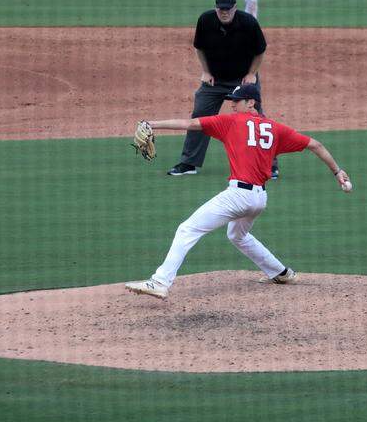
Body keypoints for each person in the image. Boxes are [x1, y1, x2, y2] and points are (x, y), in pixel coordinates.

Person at [125, 83, 352, 300]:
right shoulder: (275, 128)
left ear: (251, 102)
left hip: (238, 196)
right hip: (259, 198)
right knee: (237, 235)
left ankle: (160, 282)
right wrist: (337, 171)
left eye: (237, 101)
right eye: (232, 101)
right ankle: (282, 273)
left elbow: (191, 123)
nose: (232, 105)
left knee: (187, 229)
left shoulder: (231, 122)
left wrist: (152, 123)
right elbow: (315, 144)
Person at [168, 0, 277, 178]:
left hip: (243, 80)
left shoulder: (249, 23)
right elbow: (199, 48)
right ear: (215, 8)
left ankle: (269, 165)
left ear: (235, 8)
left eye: (227, 9)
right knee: (200, 116)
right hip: (215, 81)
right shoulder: (206, 21)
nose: (224, 12)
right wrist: (206, 71)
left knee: (256, 118)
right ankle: (189, 163)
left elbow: (260, 52)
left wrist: (251, 74)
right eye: (220, 9)